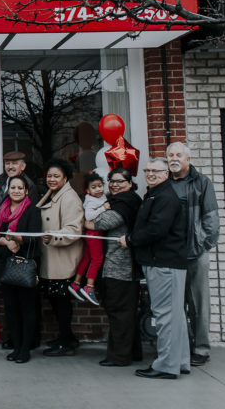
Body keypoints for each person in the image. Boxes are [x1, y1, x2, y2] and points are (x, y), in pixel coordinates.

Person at [120, 158, 190, 379]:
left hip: (163, 264)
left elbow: (156, 229)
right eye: (147, 170)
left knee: (165, 316)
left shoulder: (164, 197)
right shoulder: (156, 194)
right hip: (166, 263)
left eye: (156, 171)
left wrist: (130, 240)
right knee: (175, 316)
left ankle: (166, 366)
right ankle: (179, 361)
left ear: (166, 174)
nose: (150, 174)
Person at [167, 141, 220, 367]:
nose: (173, 158)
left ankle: (201, 349)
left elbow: (211, 218)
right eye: (170, 155)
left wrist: (203, 245)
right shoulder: (164, 183)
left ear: (188, 159)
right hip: (172, 254)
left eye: (178, 154)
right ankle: (181, 348)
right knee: (175, 305)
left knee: (199, 303)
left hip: (196, 252)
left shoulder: (201, 182)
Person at [93, 167, 143, 367]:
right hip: (118, 265)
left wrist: (99, 212)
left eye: (120, 181)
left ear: (130, 184)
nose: (114, 184)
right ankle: (132, 352)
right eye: (111, 181)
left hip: (121, 266)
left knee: (119, 312)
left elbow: (101, 223)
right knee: (126, 312)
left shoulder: (126, 203)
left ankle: (119, 357)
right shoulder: (119, 201)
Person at [37, 157, 84, 357]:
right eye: (49, 176)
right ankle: (66, 337)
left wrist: (52, 237)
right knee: (56, 302)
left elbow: (74, 229)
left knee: (62, 304)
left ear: (65, 178)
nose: (52, 179)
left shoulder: (70, 198)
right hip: (52, 258)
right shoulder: (52, 194)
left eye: (56, 176)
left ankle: (66, 343)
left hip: (62, 259)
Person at [0, 175, 42, 364]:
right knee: (11, 308)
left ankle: (25, 348)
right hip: (6, 264)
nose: (16, 191)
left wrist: (16, 239)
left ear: (26, 191)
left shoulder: (32, 211)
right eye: (13, 187)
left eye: (20, 188)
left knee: (27, 308)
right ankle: (16, 345)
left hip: (24, 264)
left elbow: (33, 238)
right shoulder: (1, 209)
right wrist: (6, 241)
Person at [70, 171, 108, 306]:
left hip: (91, 234)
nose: (98, 189)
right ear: (87, 190)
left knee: (87, 258)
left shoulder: (101, 197)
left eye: (100, 186)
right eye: (94, 187)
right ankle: (89, 286)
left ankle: (76, 283)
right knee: (97, 259)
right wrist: (103, 208)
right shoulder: (91, 200)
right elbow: (90, 216)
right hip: (94, 234)